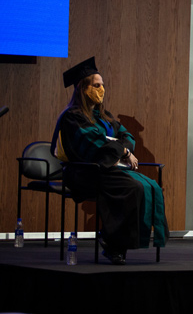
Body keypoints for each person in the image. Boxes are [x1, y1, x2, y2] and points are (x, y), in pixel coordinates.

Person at [51, 57, 168, 265]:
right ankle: (113, 242)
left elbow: (127, 136)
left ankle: (115, 244)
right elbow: (93, 145)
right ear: (83, 88)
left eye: (103, 85)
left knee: (149, 186)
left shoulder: (104, 116)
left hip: (106, 170)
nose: (102, 89)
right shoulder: (72, 117)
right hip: (84, 172)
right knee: (132, 186)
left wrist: (123, 149)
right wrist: (122, 150)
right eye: (97, 85)